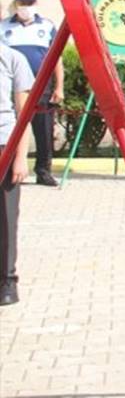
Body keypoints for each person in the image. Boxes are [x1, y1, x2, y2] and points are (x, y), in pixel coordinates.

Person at [0, 0, 63, 186]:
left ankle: (43, 171)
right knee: (13, 125)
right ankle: (12, 166)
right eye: (22, 3)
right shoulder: (4, 26)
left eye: (29, 3)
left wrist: (59, 86)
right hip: (12, 86)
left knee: (43, 129)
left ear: (35, 3)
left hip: (40, 85)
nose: (25, 7)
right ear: (15, 4)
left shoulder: (46, 26)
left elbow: (56, 57)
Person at [0, 42, 34, 306]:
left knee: (6, 218)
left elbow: (24, 114)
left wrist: (20, 157)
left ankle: (8, 281)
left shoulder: (13, 58)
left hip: (5, 144)